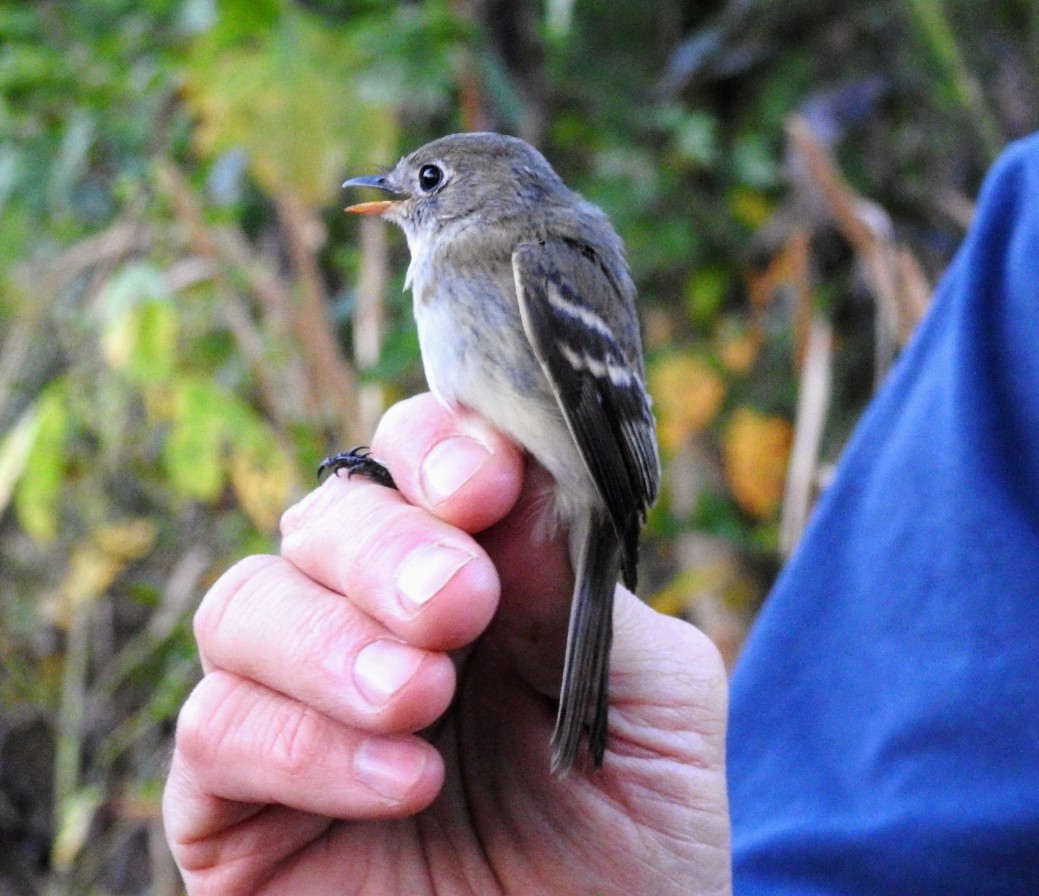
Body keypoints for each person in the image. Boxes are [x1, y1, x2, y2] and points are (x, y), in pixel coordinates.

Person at [163, 132, 1039, 895]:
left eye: (426, 180)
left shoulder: (537, 253)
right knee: (457, 510)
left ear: (485, 191)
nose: (400, 195)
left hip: (586, 485)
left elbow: (600, 436)